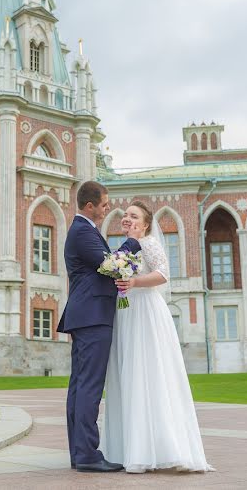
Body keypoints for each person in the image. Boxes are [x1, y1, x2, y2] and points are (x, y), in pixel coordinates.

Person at [101, 200, 212, 474]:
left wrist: (135, 282)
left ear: (145, 223)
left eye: (133, 216)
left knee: (148, 372)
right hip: (127, 312)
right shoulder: (123, 248)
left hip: (146, 312)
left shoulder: (148, 242)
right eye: (125, 215)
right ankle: (129, 448)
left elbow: (163, 273)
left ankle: (162, 447)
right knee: (129, 374)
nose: (127, 219)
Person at [56, 181, 142, 473]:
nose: (108, 209)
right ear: (90, 206)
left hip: (87, 315)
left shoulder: (85, 231)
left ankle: (80, 453)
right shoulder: (82, 231)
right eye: (105, 204)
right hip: (92, 316)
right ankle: (88, 454)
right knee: (89, 387)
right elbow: (112, 265)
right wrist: (132, 243)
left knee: (81, 386)